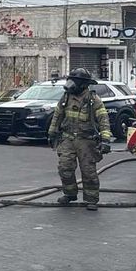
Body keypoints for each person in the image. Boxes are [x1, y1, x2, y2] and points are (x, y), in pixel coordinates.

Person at [47, 68, 112, 211]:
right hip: (68, 139)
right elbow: (57, 116)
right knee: (65, 168)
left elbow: (103, 121)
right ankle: (70, 194)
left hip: (86, 141)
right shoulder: (65, 98)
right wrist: (52, 133)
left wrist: (106, 140)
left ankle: (91, 199)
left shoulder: (93, 100)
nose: (71, 84)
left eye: (74, 81)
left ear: (83, 84)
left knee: (88, 171)